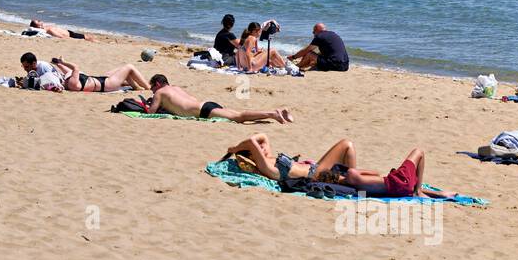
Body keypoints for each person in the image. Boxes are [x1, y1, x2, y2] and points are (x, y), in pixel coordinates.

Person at [222, 133, 456, 199]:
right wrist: (234, 150)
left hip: (320, 172)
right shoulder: (269, 169)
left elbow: (262, 138)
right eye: (259, 153)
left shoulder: (270, 157)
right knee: (347, 144)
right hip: (316, 175)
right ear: (253, 157)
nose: (263, 149)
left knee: (350, 150)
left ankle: (356, 184)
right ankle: (357, 186)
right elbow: (254, 141)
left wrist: (260, 148)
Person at [145, 74, 291, 123]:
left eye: (152, 88)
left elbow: (151, 113)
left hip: (203, 111)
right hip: (206, 104)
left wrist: (151, 103)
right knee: (238, 114)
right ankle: (278, 112)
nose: (152, 92)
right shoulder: (175, 88)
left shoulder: (159, 93)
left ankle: (273, 113)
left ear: (157, 84)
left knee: (239, 117)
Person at [48, 57, 150, 93]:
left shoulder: (69, 82)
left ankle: (136, 86)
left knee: (121, 70)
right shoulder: (72, 83)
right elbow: (75, 68)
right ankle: (148, 87)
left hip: (101, 80)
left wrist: (58, 64)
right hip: (107, 84)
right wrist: (64, 61)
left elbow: (68, 72)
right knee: (129, 67)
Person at [28, 19, 95, 40]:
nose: (40, 21)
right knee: (88, 38)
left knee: (88, 36)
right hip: (71, 35)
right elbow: (60, 36)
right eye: (38, 21)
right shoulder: (49, 30)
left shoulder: (46, 27)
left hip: (70, 32)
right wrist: (68, 38)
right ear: (38, 26)